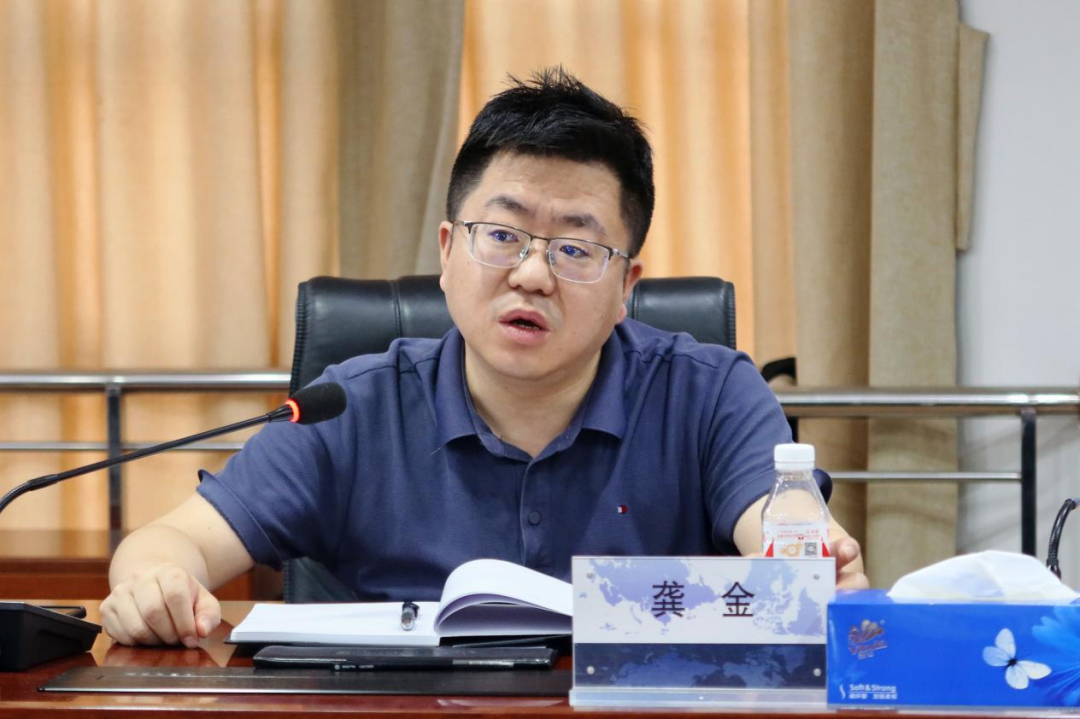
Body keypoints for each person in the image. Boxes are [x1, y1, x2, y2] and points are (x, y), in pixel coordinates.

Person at [102, 67, 866, 648]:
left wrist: (805, 564)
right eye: (502, 235)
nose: (532, 274)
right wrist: (153, 583)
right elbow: (170, 542)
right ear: (447, 251)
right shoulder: (353, 408)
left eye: (575, 248)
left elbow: (778, 533)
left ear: (626, 287)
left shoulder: (710, 393)